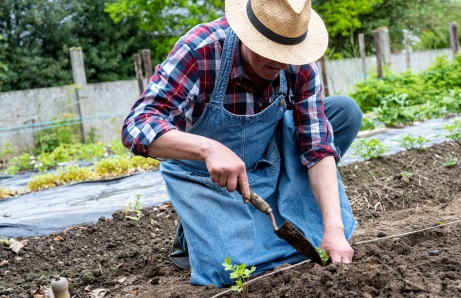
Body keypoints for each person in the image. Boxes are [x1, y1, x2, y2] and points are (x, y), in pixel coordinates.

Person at [121, 0, 363, 287]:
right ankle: (195, 227)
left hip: (264, 160)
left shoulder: (299, 64)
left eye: (288, 51)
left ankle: (245, 218)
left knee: (343, 112)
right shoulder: (201, 50)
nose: (281, 62)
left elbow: (317, 145)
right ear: (246, 32)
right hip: (202, 175)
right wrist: (208, 148)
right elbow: (137, 125)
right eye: (271, 48)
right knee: (231, 268)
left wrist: (333, 229)